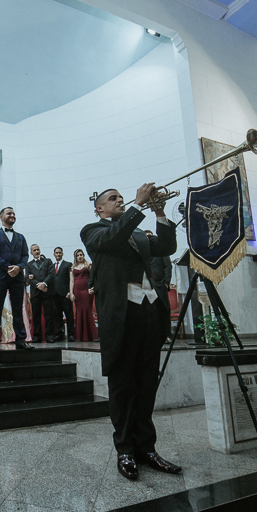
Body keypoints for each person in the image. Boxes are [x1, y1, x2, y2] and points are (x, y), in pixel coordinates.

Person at [81, 184, 181, 481]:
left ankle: (147, 448)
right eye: (113, 198)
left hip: (150, 313)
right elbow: (114, 237)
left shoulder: (137, 232)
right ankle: (125, 449)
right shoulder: (92, 231)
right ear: (99, 208)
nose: (120, 200)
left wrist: (160, 213)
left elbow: (167, 248)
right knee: (123, 385)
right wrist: (137, 205)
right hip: (121, 317)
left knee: (146, 384)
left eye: (121, 197)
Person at [0, 207, 32, 351]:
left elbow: (25, 255)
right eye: (9, 213)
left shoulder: (21, 237)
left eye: (13, 214)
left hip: (17, 277)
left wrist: (19, 267)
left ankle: (21, 339)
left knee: (18, 309)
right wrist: (7, 267)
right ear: (1, 217)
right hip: (0, 276)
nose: (12, 215)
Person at [26, 244, 55, 343]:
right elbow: (27, 278)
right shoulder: (28, 265)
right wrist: (38, 285)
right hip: (35, 293)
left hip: (47, 292)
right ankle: (37, 336)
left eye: (38, 249)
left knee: (48, 315)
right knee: (36, 315)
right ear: (31, 252)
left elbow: (51, 274)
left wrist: (44, 283)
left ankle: (49, 336)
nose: (37, 252)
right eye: (34, 250)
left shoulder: (48, 261)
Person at [69, 249, 97, 342]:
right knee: (79, 311)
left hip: (87, 290)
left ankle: (92, 335)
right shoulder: (73, 267)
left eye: (81, 255)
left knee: (88, 309)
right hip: (77, 291)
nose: (79, 257)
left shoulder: (88, 265)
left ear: (83, 255)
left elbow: (93, 277)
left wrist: (92, 288)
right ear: (75, 257)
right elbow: (71, 281)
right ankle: (79, 336)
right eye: (78, 255)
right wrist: (71, 293)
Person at [145, 230, 174, 320]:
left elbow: (168, 266)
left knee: (164, 306)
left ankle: (166, 326)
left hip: (160, 283)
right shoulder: (143, 251)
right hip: (147, 284)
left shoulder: (160, 251)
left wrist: (167, 281)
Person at [49, 247, 75, 341]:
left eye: (60, 252)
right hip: (55, 295)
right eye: (56, 253)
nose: (58, 254)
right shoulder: (51, 266)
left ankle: (71, 334)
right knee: (57, 316)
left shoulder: (68, 264)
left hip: (65, 294)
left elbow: (71, 279)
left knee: (69, 315)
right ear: (54, 254)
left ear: (62, 254)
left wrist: (70, 292)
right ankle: (59, 334)